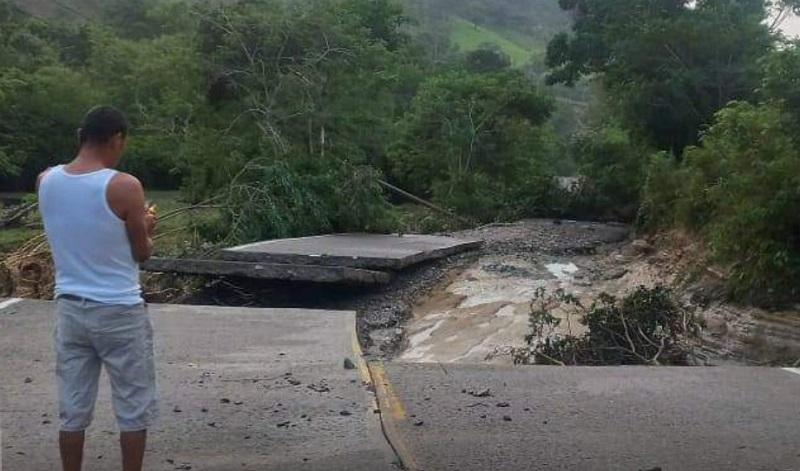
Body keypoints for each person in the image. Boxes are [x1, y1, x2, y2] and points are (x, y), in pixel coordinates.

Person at [38, 106, 159, 471]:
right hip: (119, 310)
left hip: (70, 308)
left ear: (81, 134)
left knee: (73, 409)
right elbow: (141, 253)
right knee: (132, 407)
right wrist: (146, 227)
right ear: (117, 138)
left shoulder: (46, 180)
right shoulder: (124, 186)